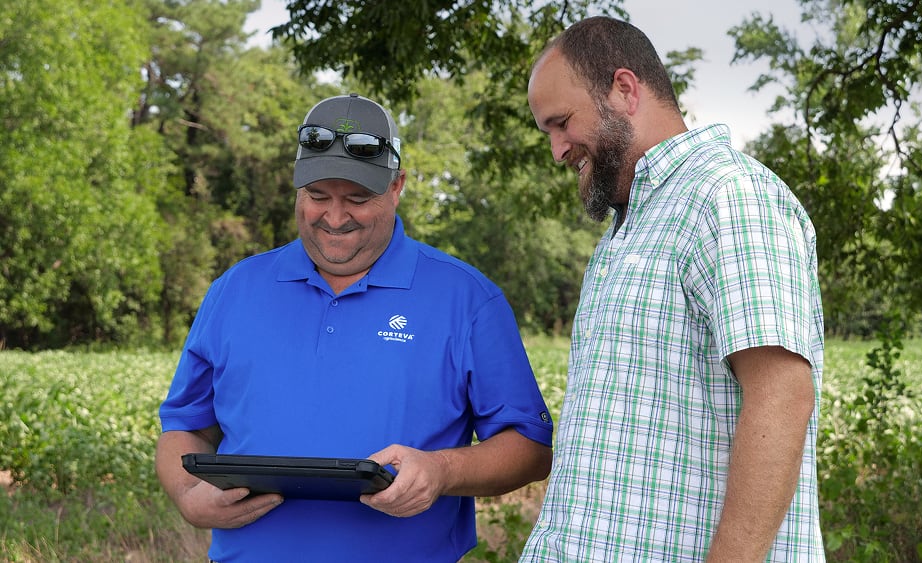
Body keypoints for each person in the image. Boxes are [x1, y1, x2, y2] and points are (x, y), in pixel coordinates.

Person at [155, 93, 554, 562]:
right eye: (317, 196)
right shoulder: (234, 289)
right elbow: (185, 426)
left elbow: (530, 447)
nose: (335, 217)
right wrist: (187, 495)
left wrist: (441, 470)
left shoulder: (467, 298)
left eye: (358, 199)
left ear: (397, 185)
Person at [521, 16, 825, 562]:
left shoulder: (728, 195)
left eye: (562, 123)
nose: (558, 150)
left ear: (625, 89)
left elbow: (782, 395)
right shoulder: (635, 222)